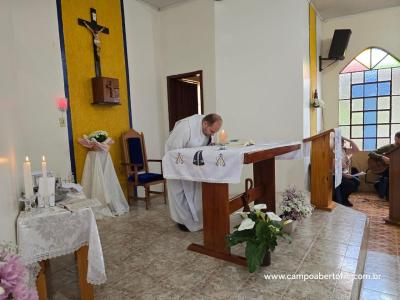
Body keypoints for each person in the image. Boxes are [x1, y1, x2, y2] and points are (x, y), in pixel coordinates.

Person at [165, 113, 223, 232]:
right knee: (180, 193)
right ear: (205, 123)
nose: (212, 134)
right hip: (178, 165)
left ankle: (198, 220)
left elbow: (204, 143)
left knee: (195, 192)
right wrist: (183, 167)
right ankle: (182, 222)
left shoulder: (205, 126)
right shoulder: (186, 128)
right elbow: (173, 150)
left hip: (193, 165)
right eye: (212, 131)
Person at [368, 131, 400, 199]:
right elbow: (371, 153)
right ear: (396, 138)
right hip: (386, 170)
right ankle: (383, 189)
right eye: (398, 138)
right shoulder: (389, 147)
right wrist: (382, 157)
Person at [333, 137, 361, 207]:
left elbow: (357, 150)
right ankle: (340, 199)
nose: (341, 144)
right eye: (339, 142)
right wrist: (345, 175)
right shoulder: (332, 152)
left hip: (344, 174)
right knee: (350, 184)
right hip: (335, 175)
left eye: (342, 142)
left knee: (357, 182)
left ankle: (344, 198)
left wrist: (350, 140)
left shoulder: (344, 150)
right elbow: (334, 169)